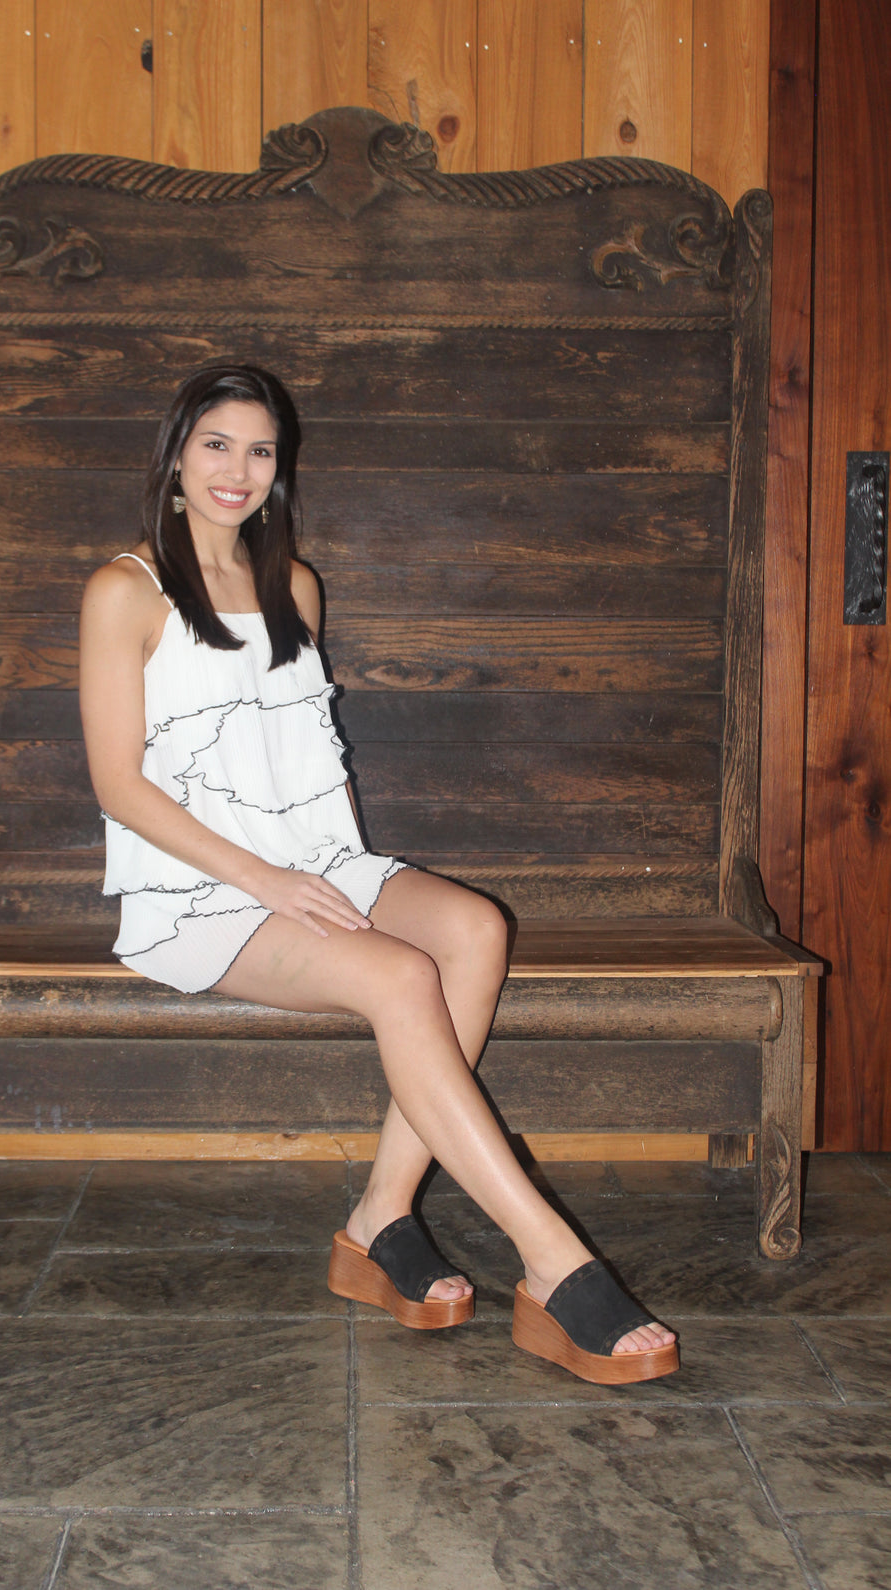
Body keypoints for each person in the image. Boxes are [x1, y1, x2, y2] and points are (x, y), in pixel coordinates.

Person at [79, 363, 679, 1386]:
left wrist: (305, 876)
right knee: (400, 975)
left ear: (281, 468)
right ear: (177, 455)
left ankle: (378, 1218)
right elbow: (118, 786)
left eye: (260, 449)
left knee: (474, 930)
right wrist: (265, 881)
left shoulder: (294, 586)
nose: (238, 468)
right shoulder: (124, 591)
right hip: (198, 897)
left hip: (313, 867)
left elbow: (295, 762)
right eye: (217, 443)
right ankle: (553, 1264)